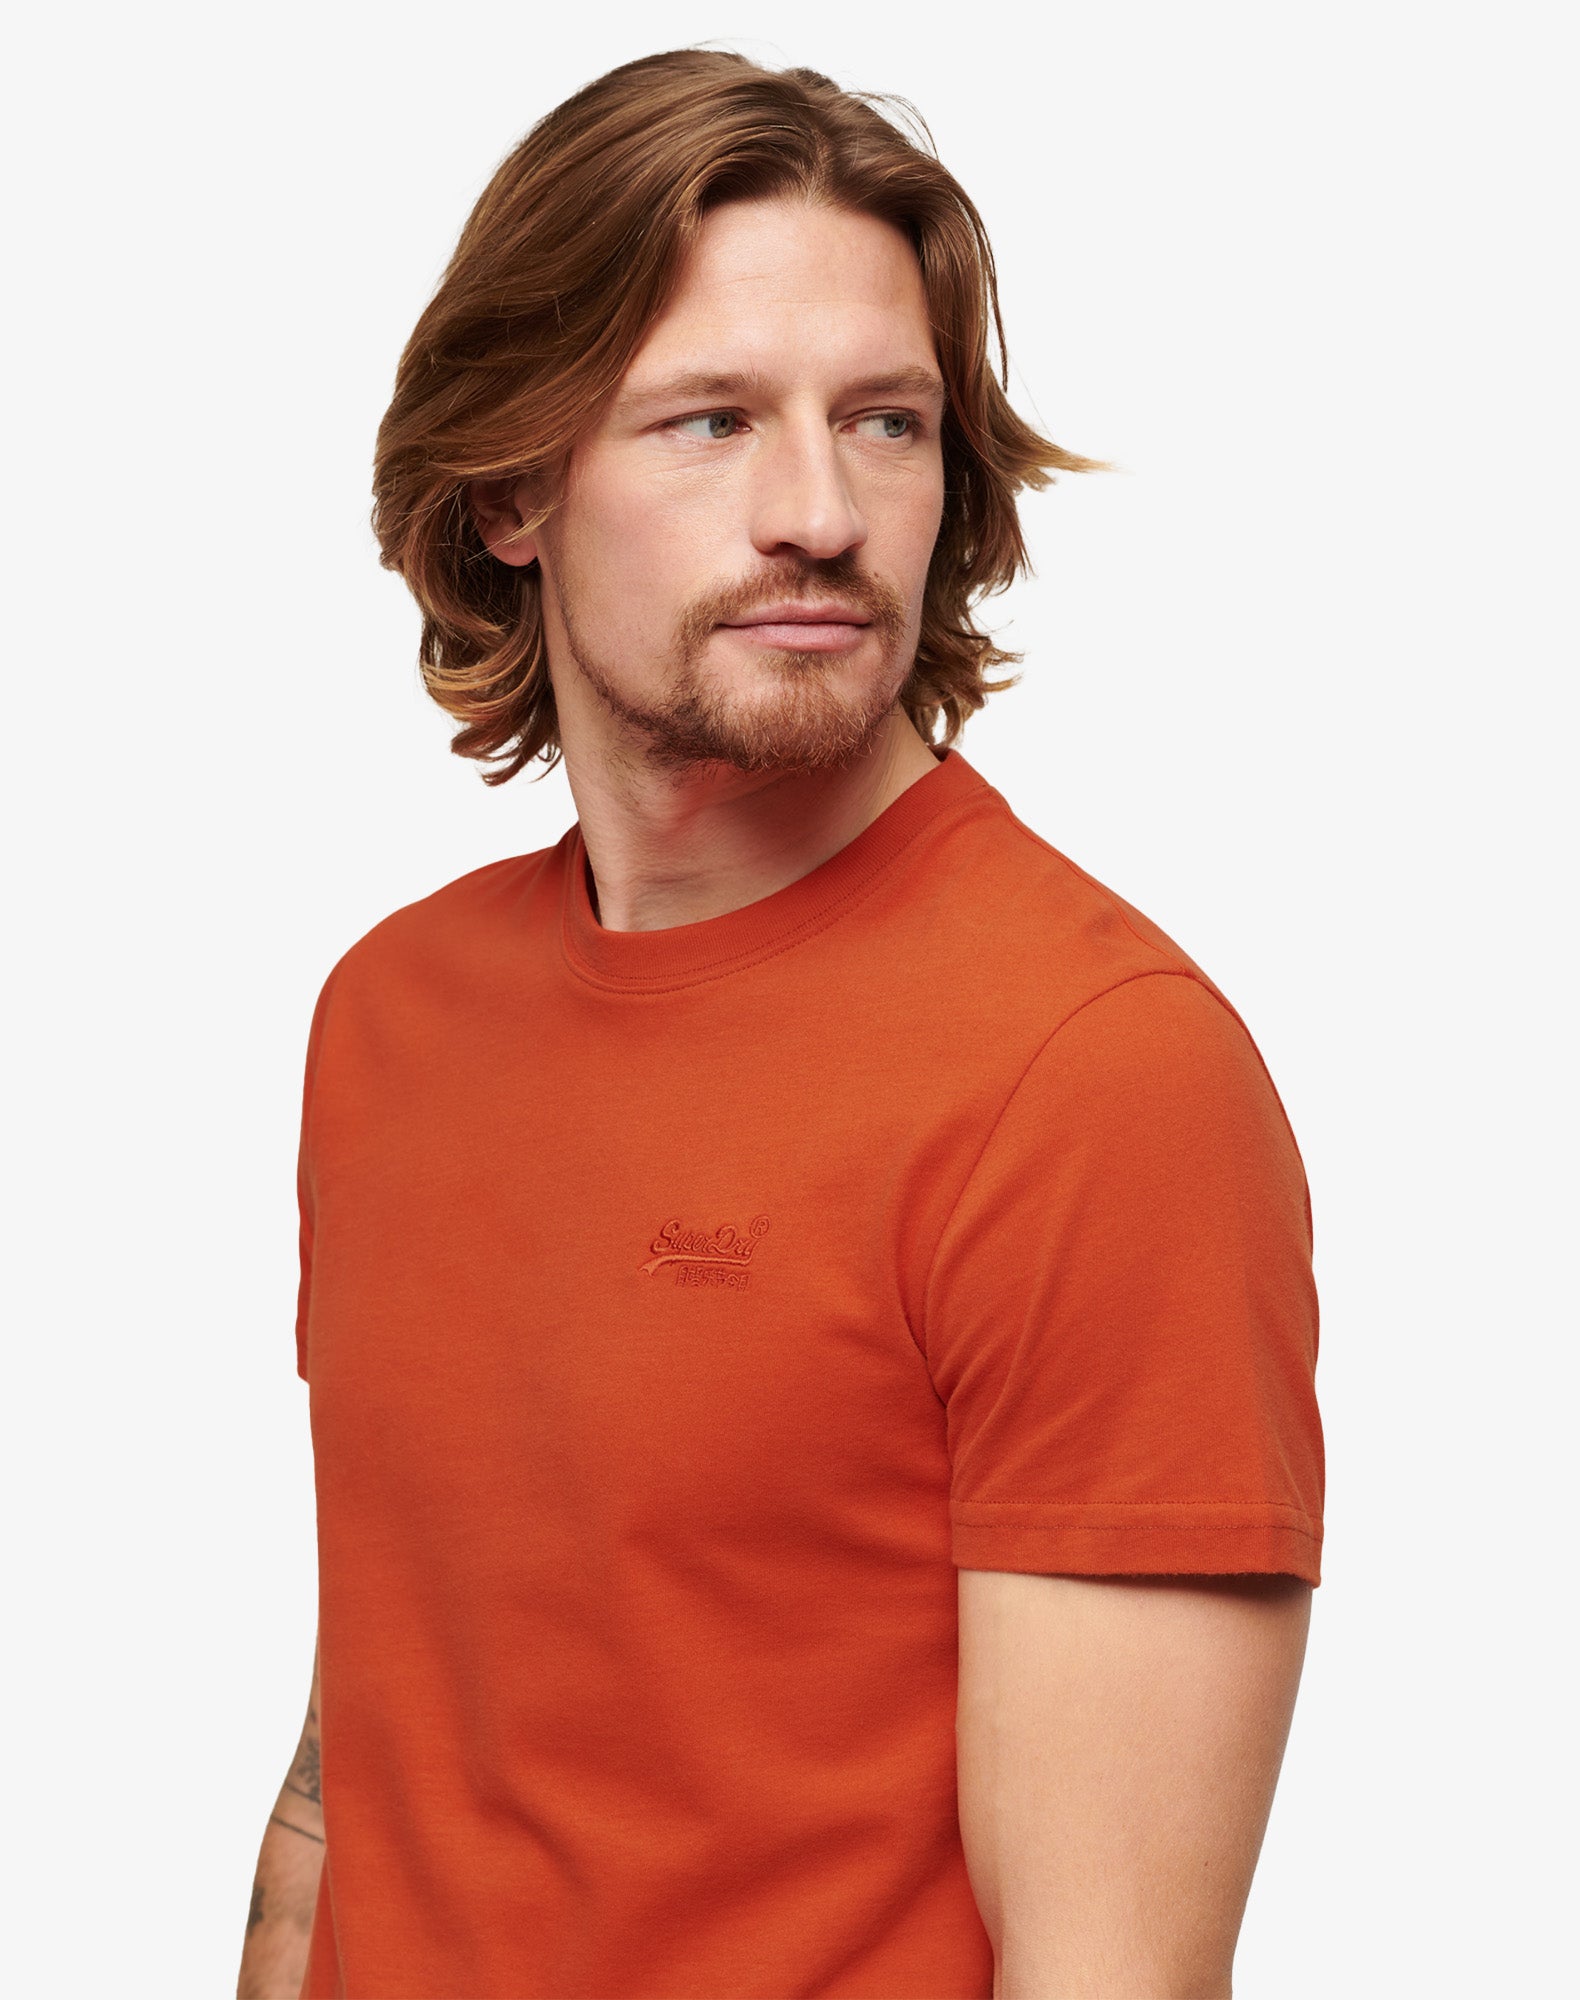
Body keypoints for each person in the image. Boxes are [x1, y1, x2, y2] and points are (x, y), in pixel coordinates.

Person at [237, 48, 1324, 2000]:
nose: (819, 513)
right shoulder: (390, 1014)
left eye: (886, 422)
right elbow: (362, 1777)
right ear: (512, 488)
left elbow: (1112, 1974)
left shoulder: (1094, 1073)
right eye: (712, 421)